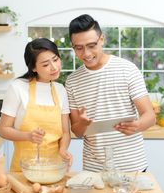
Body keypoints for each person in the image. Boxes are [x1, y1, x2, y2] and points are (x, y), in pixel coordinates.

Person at [65, 14, 156, 173]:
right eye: (79, 48)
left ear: (102, 39)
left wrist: (137, 125)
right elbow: (78, 131)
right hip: (94, 170)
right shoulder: (72, 81)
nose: (86, 53)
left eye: (91, 45)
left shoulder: (127, 69)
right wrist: (83, 124)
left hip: (132, 168)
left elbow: (149, 115)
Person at [0, 38, 72, 172]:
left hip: (54, 169)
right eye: (45, 64)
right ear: (33, 67)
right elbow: (4, 129)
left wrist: (63, 150)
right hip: (22, 171)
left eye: (55, 60)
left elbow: (65, 132)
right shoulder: (17, 88)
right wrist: (28, 136)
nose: (54, 67)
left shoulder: (60, 90)